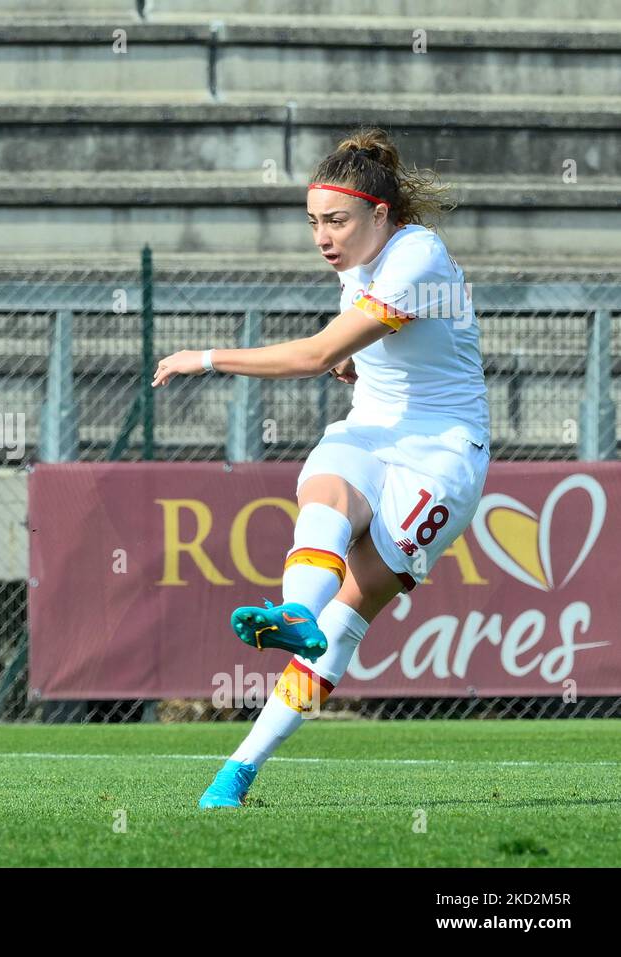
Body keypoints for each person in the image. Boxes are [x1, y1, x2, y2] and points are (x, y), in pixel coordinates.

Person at [150, 127, 491, 809]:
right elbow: (358, 345)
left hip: (443, 456)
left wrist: (207, 358)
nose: (322, 236)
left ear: (380, 214)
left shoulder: (417, 253)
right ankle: (292, 614)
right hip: (373, 428)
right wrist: (352, 360)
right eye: (313, 222)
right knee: (326, 486)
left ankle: (240, 767)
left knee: (350, 616)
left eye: (335, 220)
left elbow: (312, 355)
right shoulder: (356, 267)